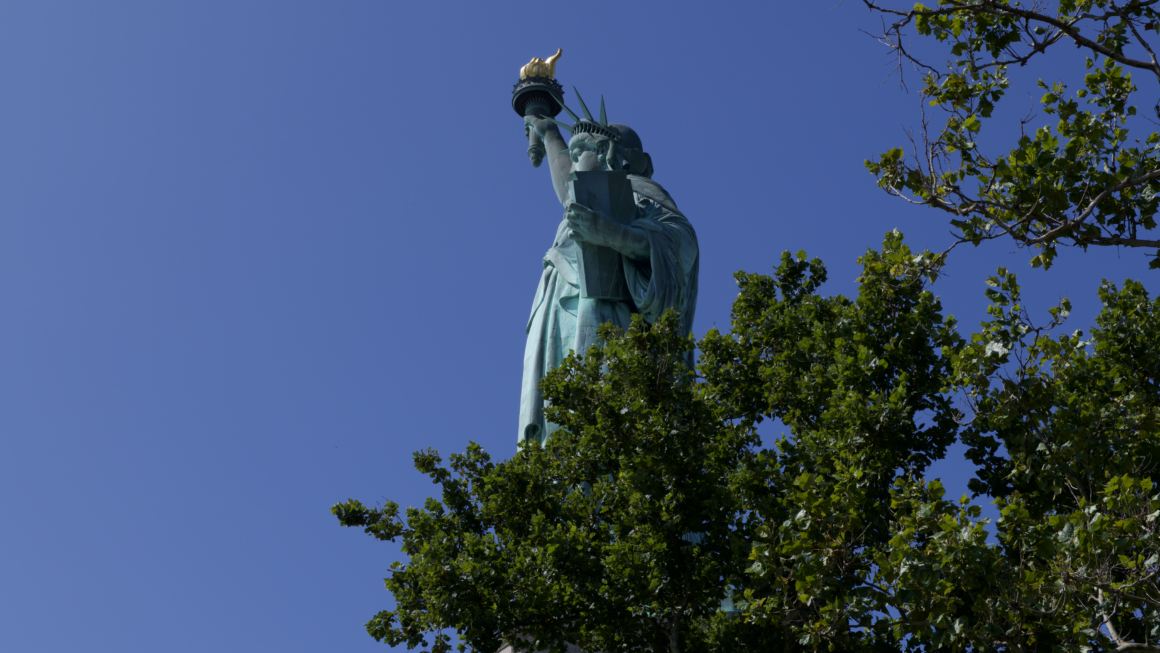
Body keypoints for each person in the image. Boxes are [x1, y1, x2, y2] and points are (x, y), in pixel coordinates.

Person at [519, 93, 699, 444]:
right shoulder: (580, 202)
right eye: (575, 155)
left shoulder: (639, 189)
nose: (578, 163)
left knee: (600, 415)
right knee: (558, 415)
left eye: (588, 151)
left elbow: (681, 243)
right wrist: (547, 130)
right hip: (559, 305)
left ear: (625, 159)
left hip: (608, 308)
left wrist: (613, 234)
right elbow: (567, 188)